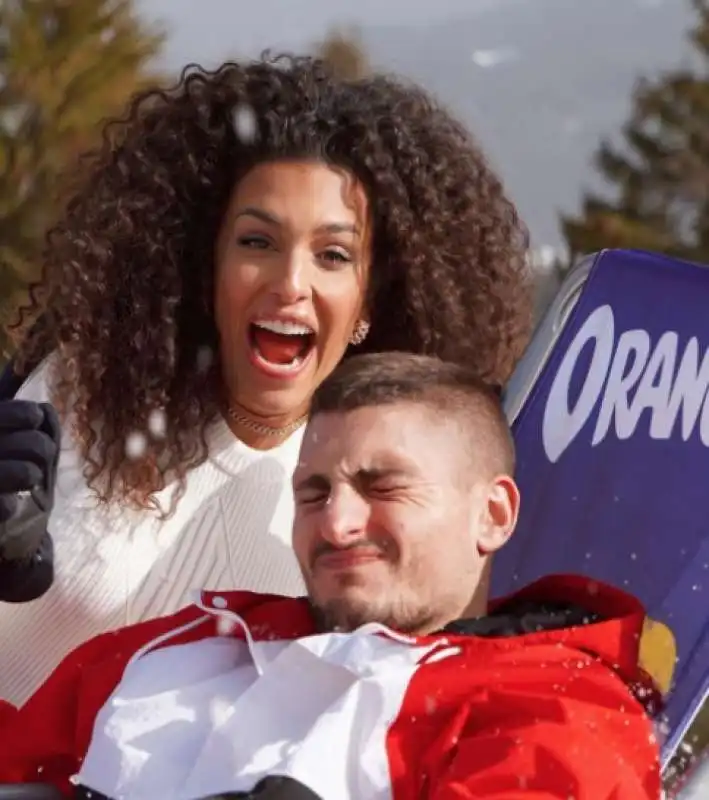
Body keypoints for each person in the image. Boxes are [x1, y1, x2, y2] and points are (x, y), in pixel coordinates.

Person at [0, 52, 532, 703]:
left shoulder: (381, 503)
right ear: (206, 265)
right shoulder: (82, 391)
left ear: (370, 302)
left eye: (332, 255)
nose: (290, 285)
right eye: (257, 242)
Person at [0, 353, 661, 799]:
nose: (337, 522)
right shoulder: (189, 646)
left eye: (383, 487)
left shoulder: (555, 710)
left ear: (490, 515)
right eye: (312, 493)